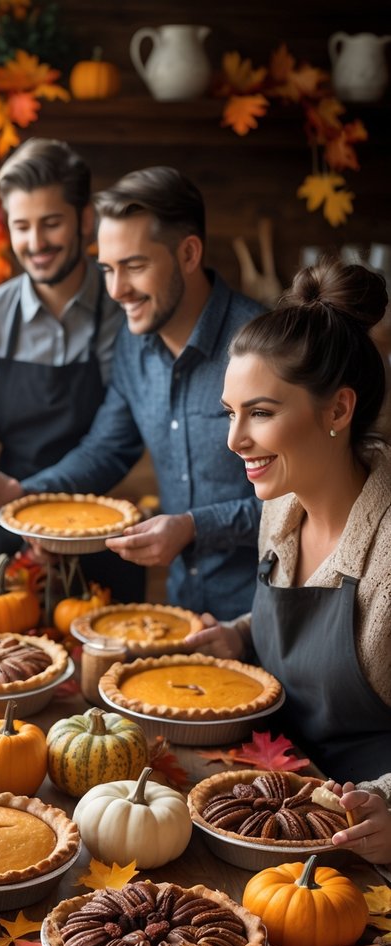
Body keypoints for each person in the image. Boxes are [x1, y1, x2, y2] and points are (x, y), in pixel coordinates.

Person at [184, 257, 391, 861]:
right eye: (230, 412)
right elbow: (300, 623)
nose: (234, 440)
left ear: (337, 410)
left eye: (262, 413)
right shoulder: (281, 507)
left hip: (361, 845)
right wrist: (242, 637)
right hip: (274, 804)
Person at [16, 165, 264, 617]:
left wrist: (193, 527)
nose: (117, 290)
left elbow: (303, 501)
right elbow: (105, 450)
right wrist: (25, 494)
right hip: (181, 608)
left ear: (189, 254)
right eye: (108, 269)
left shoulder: (265, 348)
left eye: (134, 266)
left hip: (268, 611)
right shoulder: (133, 345)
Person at [0, 137, 143, 596]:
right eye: (21, 226)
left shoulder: (125, 309)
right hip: (10, 525)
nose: (35, 243)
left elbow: (119, 439)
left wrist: (26, 492)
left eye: (51, 223)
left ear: (85, 220)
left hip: (104, 529)